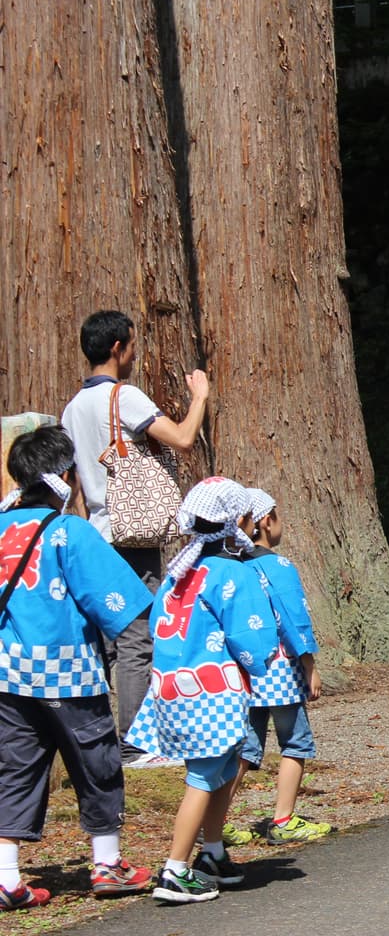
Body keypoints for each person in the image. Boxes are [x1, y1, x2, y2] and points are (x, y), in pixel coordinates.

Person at [0, 427, 157, 911]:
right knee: (97, 765)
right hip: (69, 675)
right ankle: (107, 864)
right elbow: (120, 604)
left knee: (13, 771)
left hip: (7, 676)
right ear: (64, 475)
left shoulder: (2, 529)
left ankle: (6, 877)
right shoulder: (69, 532)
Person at [60, 309, 210, 767]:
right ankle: (136, 743)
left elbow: (78, 485)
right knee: (138, 637)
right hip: (133, 535)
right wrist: (199, 396)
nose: (133, 353)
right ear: (116, 349)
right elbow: (183, 438)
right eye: (131, 344)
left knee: (110, 640)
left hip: (97, 534)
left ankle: (110, 739)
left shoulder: (72, 408)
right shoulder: (122, 397)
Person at [124, 479, 279, 903]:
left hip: (174, 686)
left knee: (222, 770)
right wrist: (261, 665)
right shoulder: (232, 572)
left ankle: (212, 853)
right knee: (205, 776)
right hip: (213, 690)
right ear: (238, 522)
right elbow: (253, 636)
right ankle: (175, 870)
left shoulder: (180, 572)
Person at [224, 489, 331, 847]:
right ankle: (283, 818)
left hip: (243, 671)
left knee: (247, 746)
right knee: (295, 742)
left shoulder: (230, 567)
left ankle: (217, 819)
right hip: (281, 669)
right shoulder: (278, 566)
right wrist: (310, 664)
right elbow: (293, 619)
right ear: (266, 521)